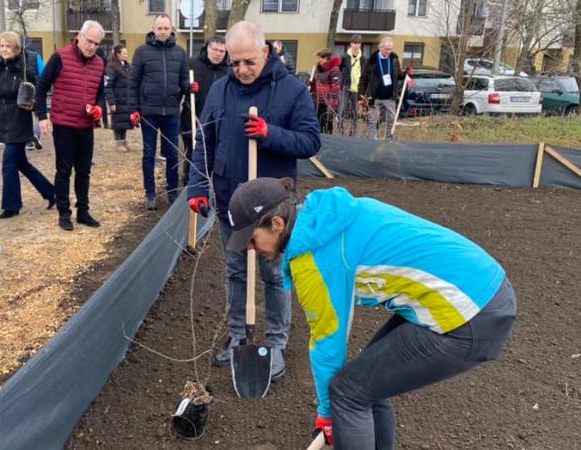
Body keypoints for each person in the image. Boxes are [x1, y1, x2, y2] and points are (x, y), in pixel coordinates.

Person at [224, 177, 516, 450]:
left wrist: (327, 413)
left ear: (277, 223)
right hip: (484, 288)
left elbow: (327, 342)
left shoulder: (315, 260)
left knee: (348, 393)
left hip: (470, 313)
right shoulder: (326, 216)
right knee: (368, 385)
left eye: (251, 239)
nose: (250, 249)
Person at [186, 21, 321, 382]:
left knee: (275, 275)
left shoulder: (291, 91)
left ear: (265, 52)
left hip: (274, 210)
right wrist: (197, 188)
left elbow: (311, 141)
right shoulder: (219, 91)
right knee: (234, 270)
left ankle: (275, 343)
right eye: (235, 63)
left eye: (249, 62)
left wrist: (270, 134)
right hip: (231, 200)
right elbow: (205, 142)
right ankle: (238, 337)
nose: (242, 70)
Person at [0, 31, 55, 220]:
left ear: (16, 48)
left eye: (7, 46)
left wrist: (40, 113)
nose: (3, 49)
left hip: (20, 119)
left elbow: (39, 90)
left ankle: (11, 205)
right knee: (22, 163)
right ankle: (52, 193)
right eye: (1, 46)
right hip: (2, 119)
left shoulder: (24, 68)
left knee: (8, 163)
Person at [35, 20, 106, 231]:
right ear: (80, 36)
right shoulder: (60, 57)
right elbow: (42, 86)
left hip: (86, 125)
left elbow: (100, 94)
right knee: (64, 170)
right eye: (89, 41)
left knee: (84, 171)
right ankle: (63, 212)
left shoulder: (100, 63)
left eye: (97, 43)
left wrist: (99, 108)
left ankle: (83, 211)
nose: (92, 46)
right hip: (64, 123)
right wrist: (42, 116)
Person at [128, 13, 197, 211]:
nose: (163, 32)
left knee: (173, 154)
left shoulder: (180, 53)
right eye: (160, 28)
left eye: (166, 28)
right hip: (149, 111)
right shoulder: (141, 52)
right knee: (149, 153)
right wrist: (133, 109)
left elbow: (183, 80)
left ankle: (172, 192)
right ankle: (150, 193)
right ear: (153, 29)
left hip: (171, 112)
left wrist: (189, 87)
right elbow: (133, 83)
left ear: (172, 29)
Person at [181, 35, 228, 186]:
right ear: (207, 48)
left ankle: (210, 184)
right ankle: (189, 184)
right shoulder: (192, 64)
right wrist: (188, 86)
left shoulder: (228, 71)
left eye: (222, 51)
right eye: (215, 49)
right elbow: (180, 83)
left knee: (214, 154)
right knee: (193, 154)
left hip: (217, 121)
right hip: (193, 117)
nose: (218, 53)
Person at [358, 36, 411, 140]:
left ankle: (388, 139)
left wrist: (406, 73)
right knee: (372, 120)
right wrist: (361, 97)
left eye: (391, 49)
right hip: (374, 97)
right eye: (387, 49)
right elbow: (363, 79)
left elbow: (398, 75)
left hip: (389, 97)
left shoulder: (394, 59)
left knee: (391, 119)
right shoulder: (371, 60)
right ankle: (371, 140)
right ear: (380, 47)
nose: (389, 51)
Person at [105, 44, 134, 152]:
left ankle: (124, 141)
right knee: (118, 122)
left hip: (126, 100)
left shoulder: (127, 66)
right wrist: (111, 102)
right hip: (117, 100)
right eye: (124, 53)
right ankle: (118, 143)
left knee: (124, 122)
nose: (126, 55)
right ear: (118, 54)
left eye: (126, 53)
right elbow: (108, 86)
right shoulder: (111, 68)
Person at [339, 34, 365, 136]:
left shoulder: (363, 59)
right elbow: (340, 70)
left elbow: (364, 73)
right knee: (342, 108)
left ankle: (353, 132)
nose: (356, 45)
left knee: (355, 111)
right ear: (351, 44)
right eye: (354, 43)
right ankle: (340, 130)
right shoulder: (344, 57)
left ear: (360, 45)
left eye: (358, 43)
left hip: (357, 89)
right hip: (346, 87)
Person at [311, 49, 341, 134]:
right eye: (318, 58)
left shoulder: (334, 69)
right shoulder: (317, 68)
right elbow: (314, 82)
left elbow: (336, 86)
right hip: (318, 100)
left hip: (328, 101)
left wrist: (332, 101)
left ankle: (328, 139)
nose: (318, 60)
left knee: (327, 123)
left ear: (326, 58)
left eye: (320, 58)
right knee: (318, 122)